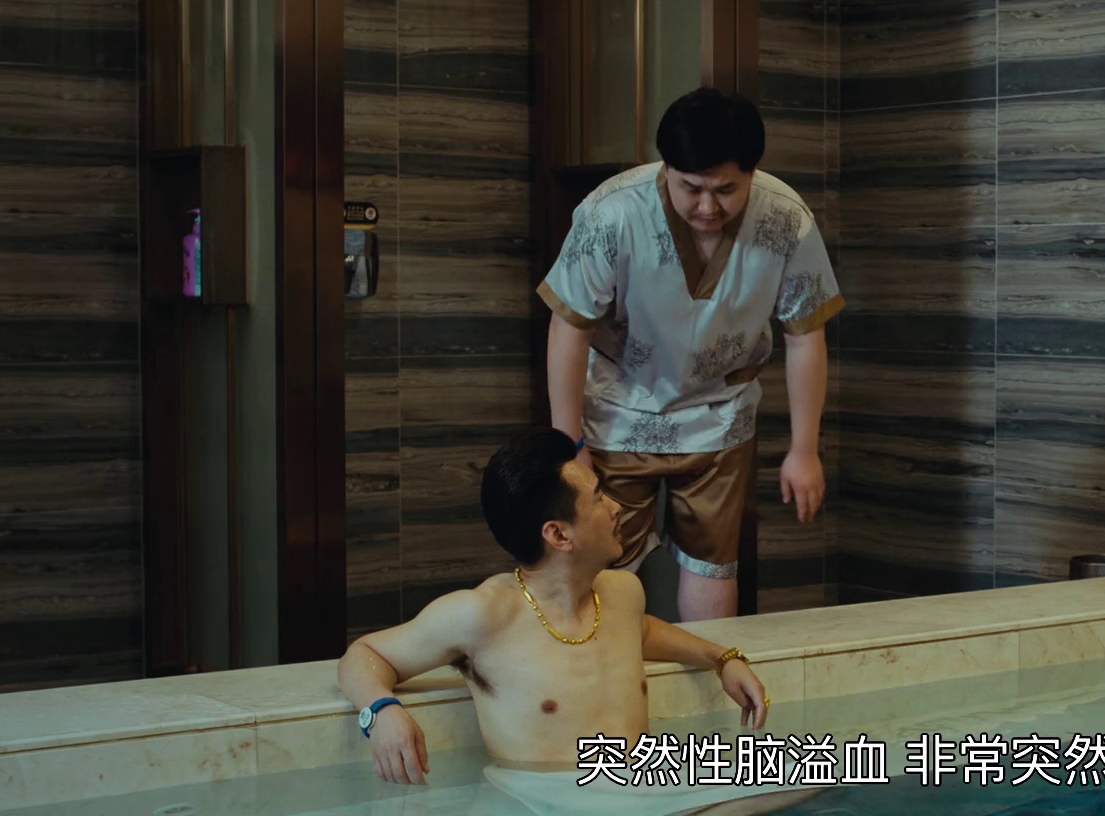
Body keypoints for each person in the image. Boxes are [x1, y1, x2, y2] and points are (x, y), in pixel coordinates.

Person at [337, 428, 820, 814]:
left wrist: (723, 659)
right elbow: (364, 654)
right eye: (598, 498)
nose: (616, 507)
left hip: (643, 784)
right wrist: (380, 711)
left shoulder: (621, 592)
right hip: (548, 796)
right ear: (559, 535)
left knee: (823, 775)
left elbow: (644, 632)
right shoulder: (484, 614)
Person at [539, 87, 843, 622]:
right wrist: (569, 446)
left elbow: (804, 335)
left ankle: (713, 672)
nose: (707, 207)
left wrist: (804, 449)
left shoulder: (785, 218)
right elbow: (568, 326)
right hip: (619, 408)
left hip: (720, 413)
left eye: (726, 190)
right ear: (666, 167)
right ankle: (609, 675)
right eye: (691, 188)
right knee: (603, 566)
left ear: (753, 172)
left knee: (714, 562)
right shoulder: (613, 213)